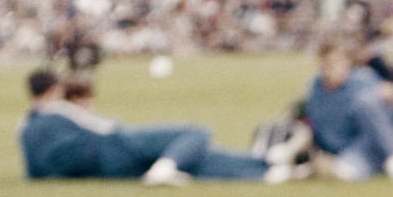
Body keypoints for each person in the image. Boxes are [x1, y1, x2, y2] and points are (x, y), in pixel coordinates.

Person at [17, 69, 288, 185]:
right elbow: (100, 127)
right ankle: (164, 169)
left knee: (196, 161)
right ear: (54, 90)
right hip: (115, 148)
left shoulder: (26, 128)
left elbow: (34, 172)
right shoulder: (59, 110)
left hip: (102, 170)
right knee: (196, 133)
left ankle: (265, 168)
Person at [303, 43, 393, 182]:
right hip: (342, 149)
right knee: (343, 171)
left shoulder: (363, 80)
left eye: (339, 63)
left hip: (372, 144)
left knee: (367, 101)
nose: (334, 69)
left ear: (348, 63)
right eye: (328, 63)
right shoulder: (316, 89)